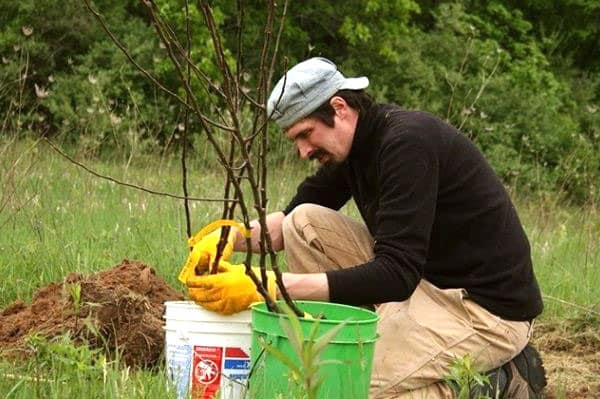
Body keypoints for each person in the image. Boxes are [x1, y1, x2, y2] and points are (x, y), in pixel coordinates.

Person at [185, 57, 547, 398]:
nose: (303, 151)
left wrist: (270, 287)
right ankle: (366, 339)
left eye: (306, 134)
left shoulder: (407, 144)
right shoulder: (355, 146)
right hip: (424, 286)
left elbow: (395, 275)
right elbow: (287, 221)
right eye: (295, 140)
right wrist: (229, 237)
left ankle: (494, 382)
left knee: (340, 382)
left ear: (339, 108)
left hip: (483, 311)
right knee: (303, 221)